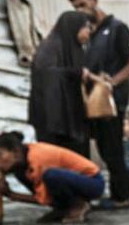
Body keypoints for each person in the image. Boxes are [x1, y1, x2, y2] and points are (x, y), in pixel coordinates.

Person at [68, 0, 129, 210]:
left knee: (113, 148)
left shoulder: (117, 28)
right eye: (75, 7)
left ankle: (122, 196)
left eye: (82, 4)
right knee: (104, 148)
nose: (80, 9)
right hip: (94, 101)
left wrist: (111, 83)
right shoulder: (89, 33)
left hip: (112, 101)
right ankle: (116, 193)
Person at [0, 131, 103, 224]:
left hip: (93, 182)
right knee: (21, 172)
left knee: (51, 175)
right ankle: (63, 208)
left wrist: (11, 195)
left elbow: (43, 199)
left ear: (16, 152)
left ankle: (78, 204)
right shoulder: (22, 158)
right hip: (78, 181)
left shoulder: (38, 159)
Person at [28, 11, 92, 154]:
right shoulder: (50, 47)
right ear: (74, 27)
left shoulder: (75, 49)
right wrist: (75, 73)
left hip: (73, 116)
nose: (89, 31)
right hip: (52, 117)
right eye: (86, 27)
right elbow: (45, 73)